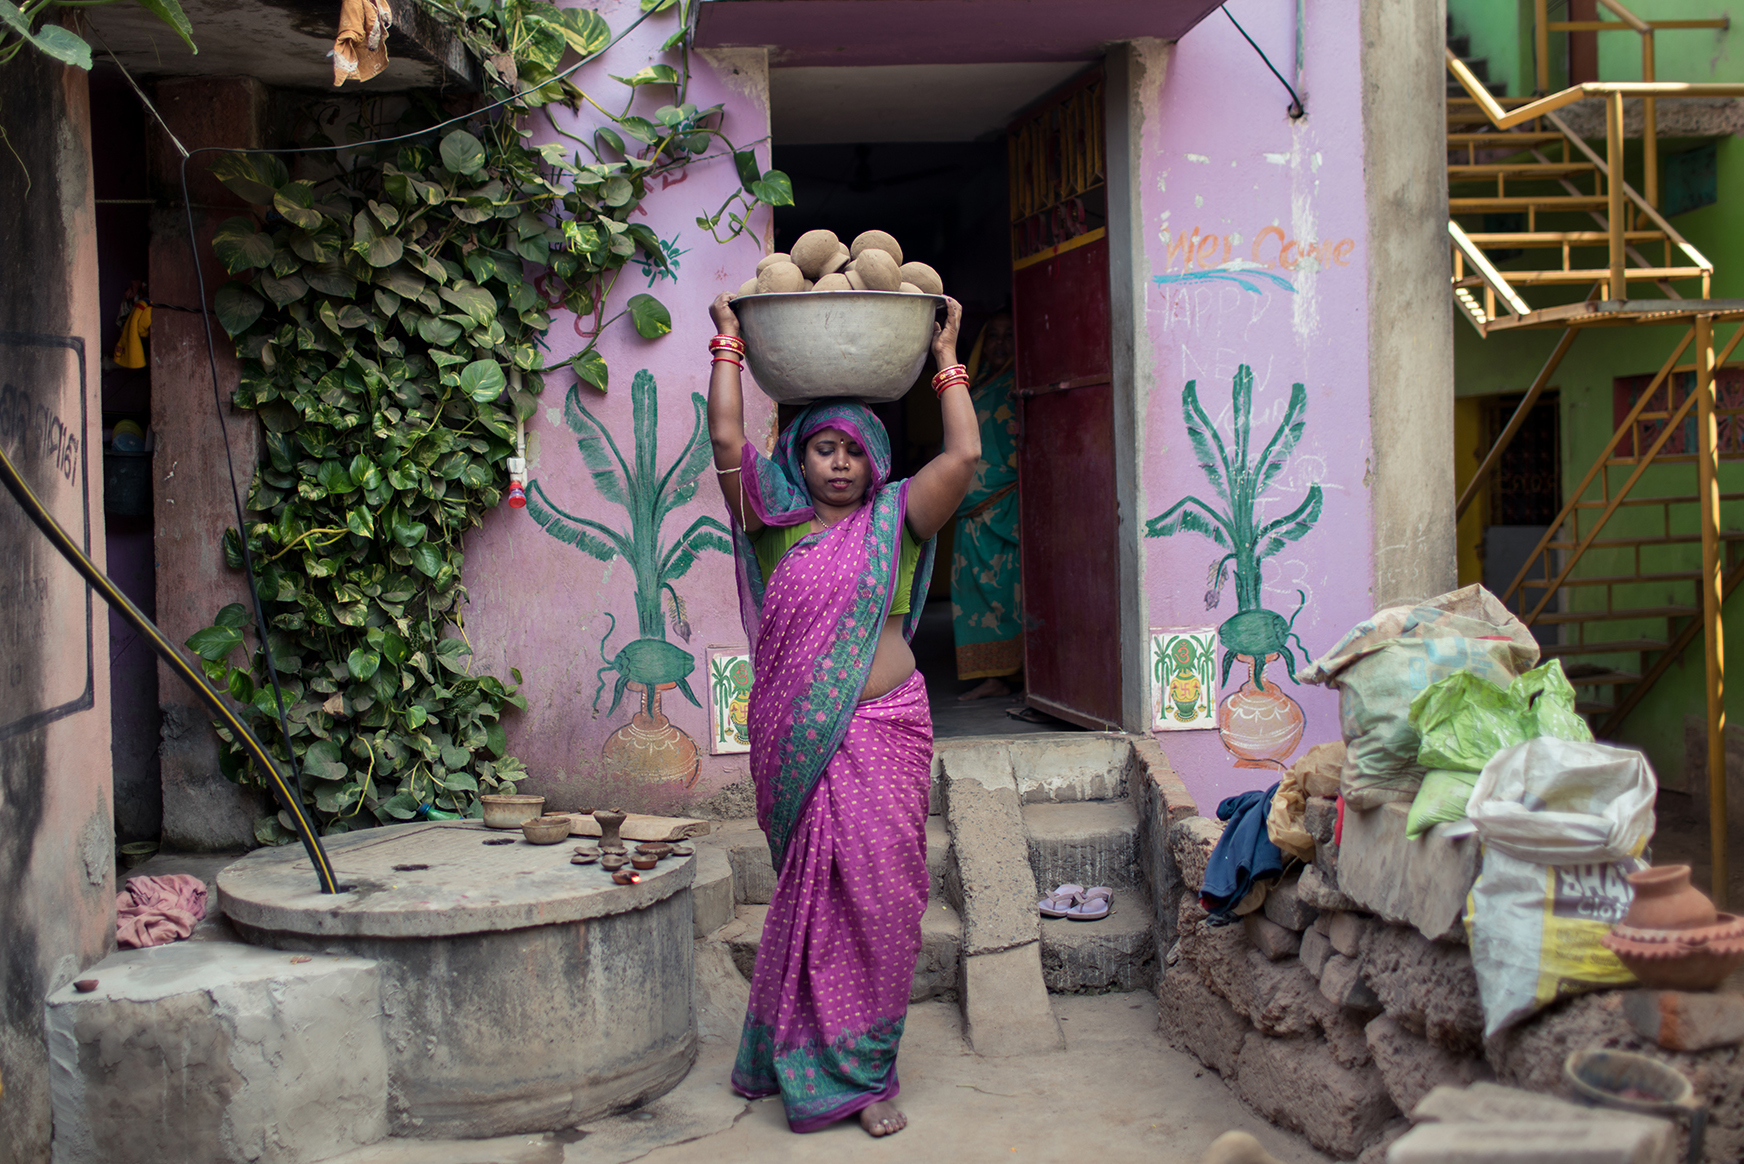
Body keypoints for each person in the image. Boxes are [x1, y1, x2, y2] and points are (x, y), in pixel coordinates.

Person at [705, 290, 979, 1138]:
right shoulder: (773, 527)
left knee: (884, 899)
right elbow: (722, 441)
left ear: (875, 463)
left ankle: (865, 1073)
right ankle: (810, 1066)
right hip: (803, 742)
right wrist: (727, 345)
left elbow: (964, 455)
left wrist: (945, 362)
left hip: (888, 729)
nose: (837, 465)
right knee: (819, 899)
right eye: (821, 449)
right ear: (798, 454)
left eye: (853, 453)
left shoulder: (897, 518)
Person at [950, 311, 1023, 700]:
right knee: (974, 591)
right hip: (970, 507)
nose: (999, 344)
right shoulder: (976, 385)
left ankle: (1019, 673)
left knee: (1010, 590)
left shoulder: (1019, 387)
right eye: (991, 335)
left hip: (1007, 507)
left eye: (1008, 335)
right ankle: (992, 674)